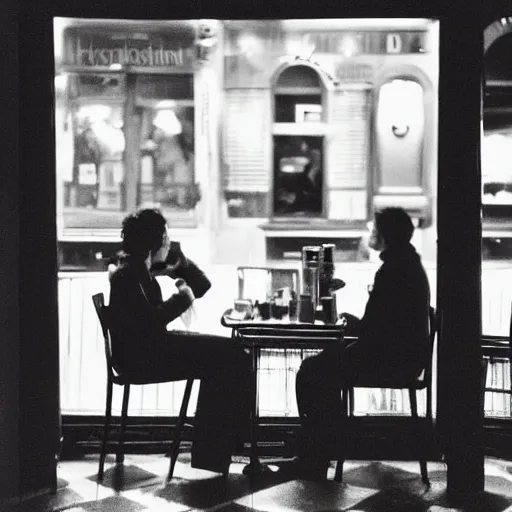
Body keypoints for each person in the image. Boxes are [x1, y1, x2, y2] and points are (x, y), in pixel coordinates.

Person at [288, 207, 431, 480]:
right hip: (403, 358)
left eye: (374, 227)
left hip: (390, 361)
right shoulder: (407, 265)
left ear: (385, 234)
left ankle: (316, 454)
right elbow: (384, 324)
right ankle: (319, 451)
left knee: (311, 370)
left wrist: (353, 327)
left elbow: (375, 331)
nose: (370, 231)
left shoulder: (392, 271)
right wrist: (356, 327)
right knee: (321, 366)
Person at [108, 208, 252, 474]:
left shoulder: (138, 266)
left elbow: (202, 286)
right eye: (166, 237)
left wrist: (180, 262)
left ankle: (218, 450)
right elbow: (149, 322)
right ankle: (224, 447)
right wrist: (182, 299)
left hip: (149, 349)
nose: (169, 242)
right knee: (231, 355)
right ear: (157, 239)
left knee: (228, 355)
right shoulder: (128, 275)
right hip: (142, 357)